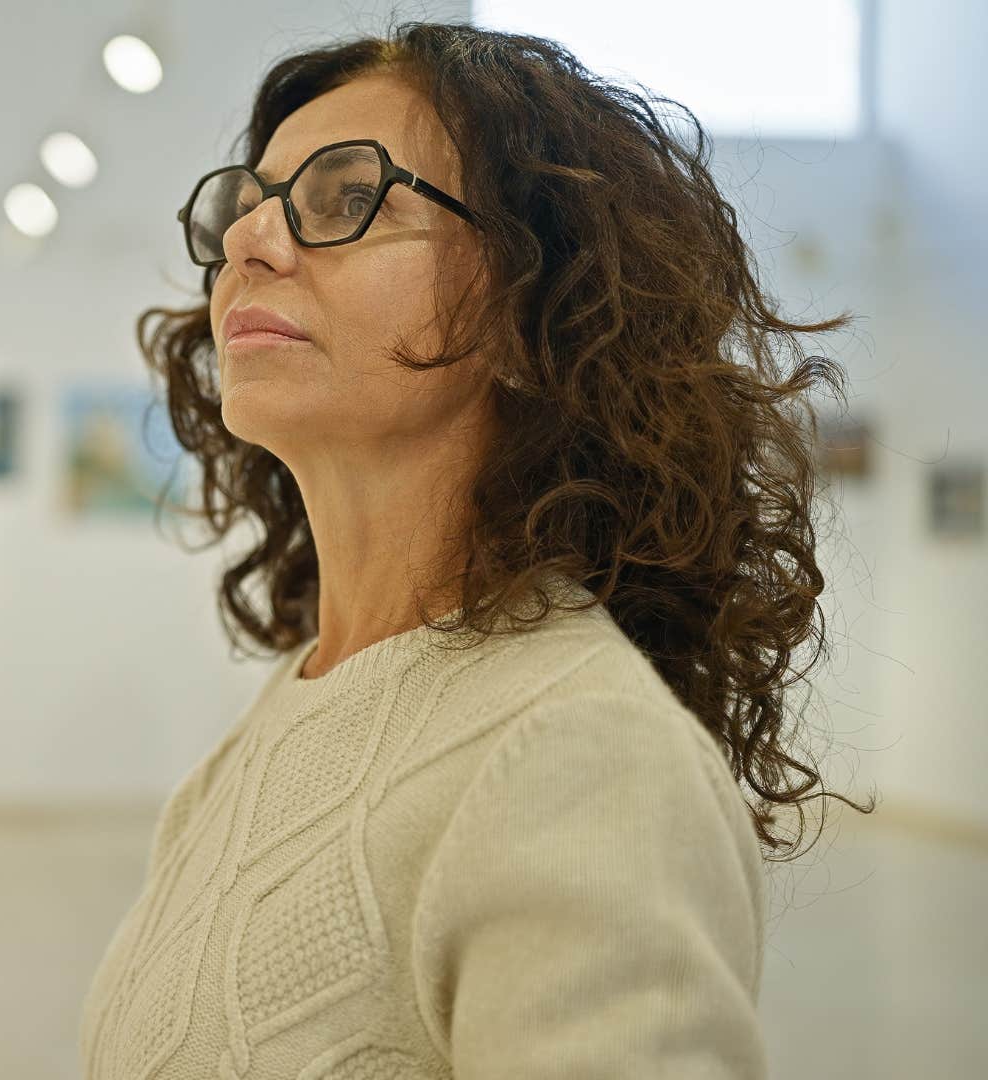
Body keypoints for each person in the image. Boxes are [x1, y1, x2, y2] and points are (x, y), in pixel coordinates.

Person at [80, 18, 874, 1079]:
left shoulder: (584, 758)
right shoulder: (293, 708)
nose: (249, 242)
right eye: (252, 204)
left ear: (526, 305)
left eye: (345, 198)